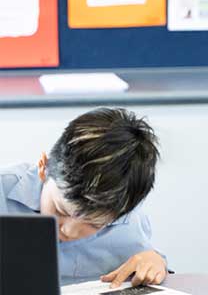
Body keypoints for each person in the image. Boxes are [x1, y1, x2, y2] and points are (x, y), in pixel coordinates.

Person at [0, 108, 165, 287]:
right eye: (60, 210)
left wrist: (156, 262)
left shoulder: (128, 220)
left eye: (94, 224)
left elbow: (148, 261)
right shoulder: (4, 192)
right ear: (44, 168)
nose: (69, 231)